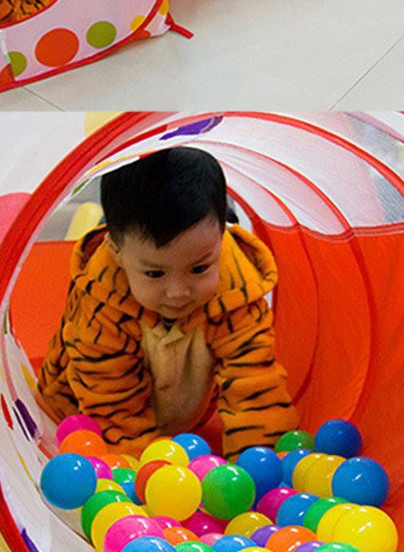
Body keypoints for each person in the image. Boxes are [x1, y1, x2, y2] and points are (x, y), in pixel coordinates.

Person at [37, 147, 299, 459]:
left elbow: (254, 384)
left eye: (199, 268)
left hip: (182, 420)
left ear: (221, 238)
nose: (178, 292)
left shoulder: (235, 289)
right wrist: (142, 481)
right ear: (117, 251)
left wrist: (259, 468)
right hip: (76, 416)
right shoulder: (102, 301)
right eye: (155, 273)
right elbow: (111, 405)